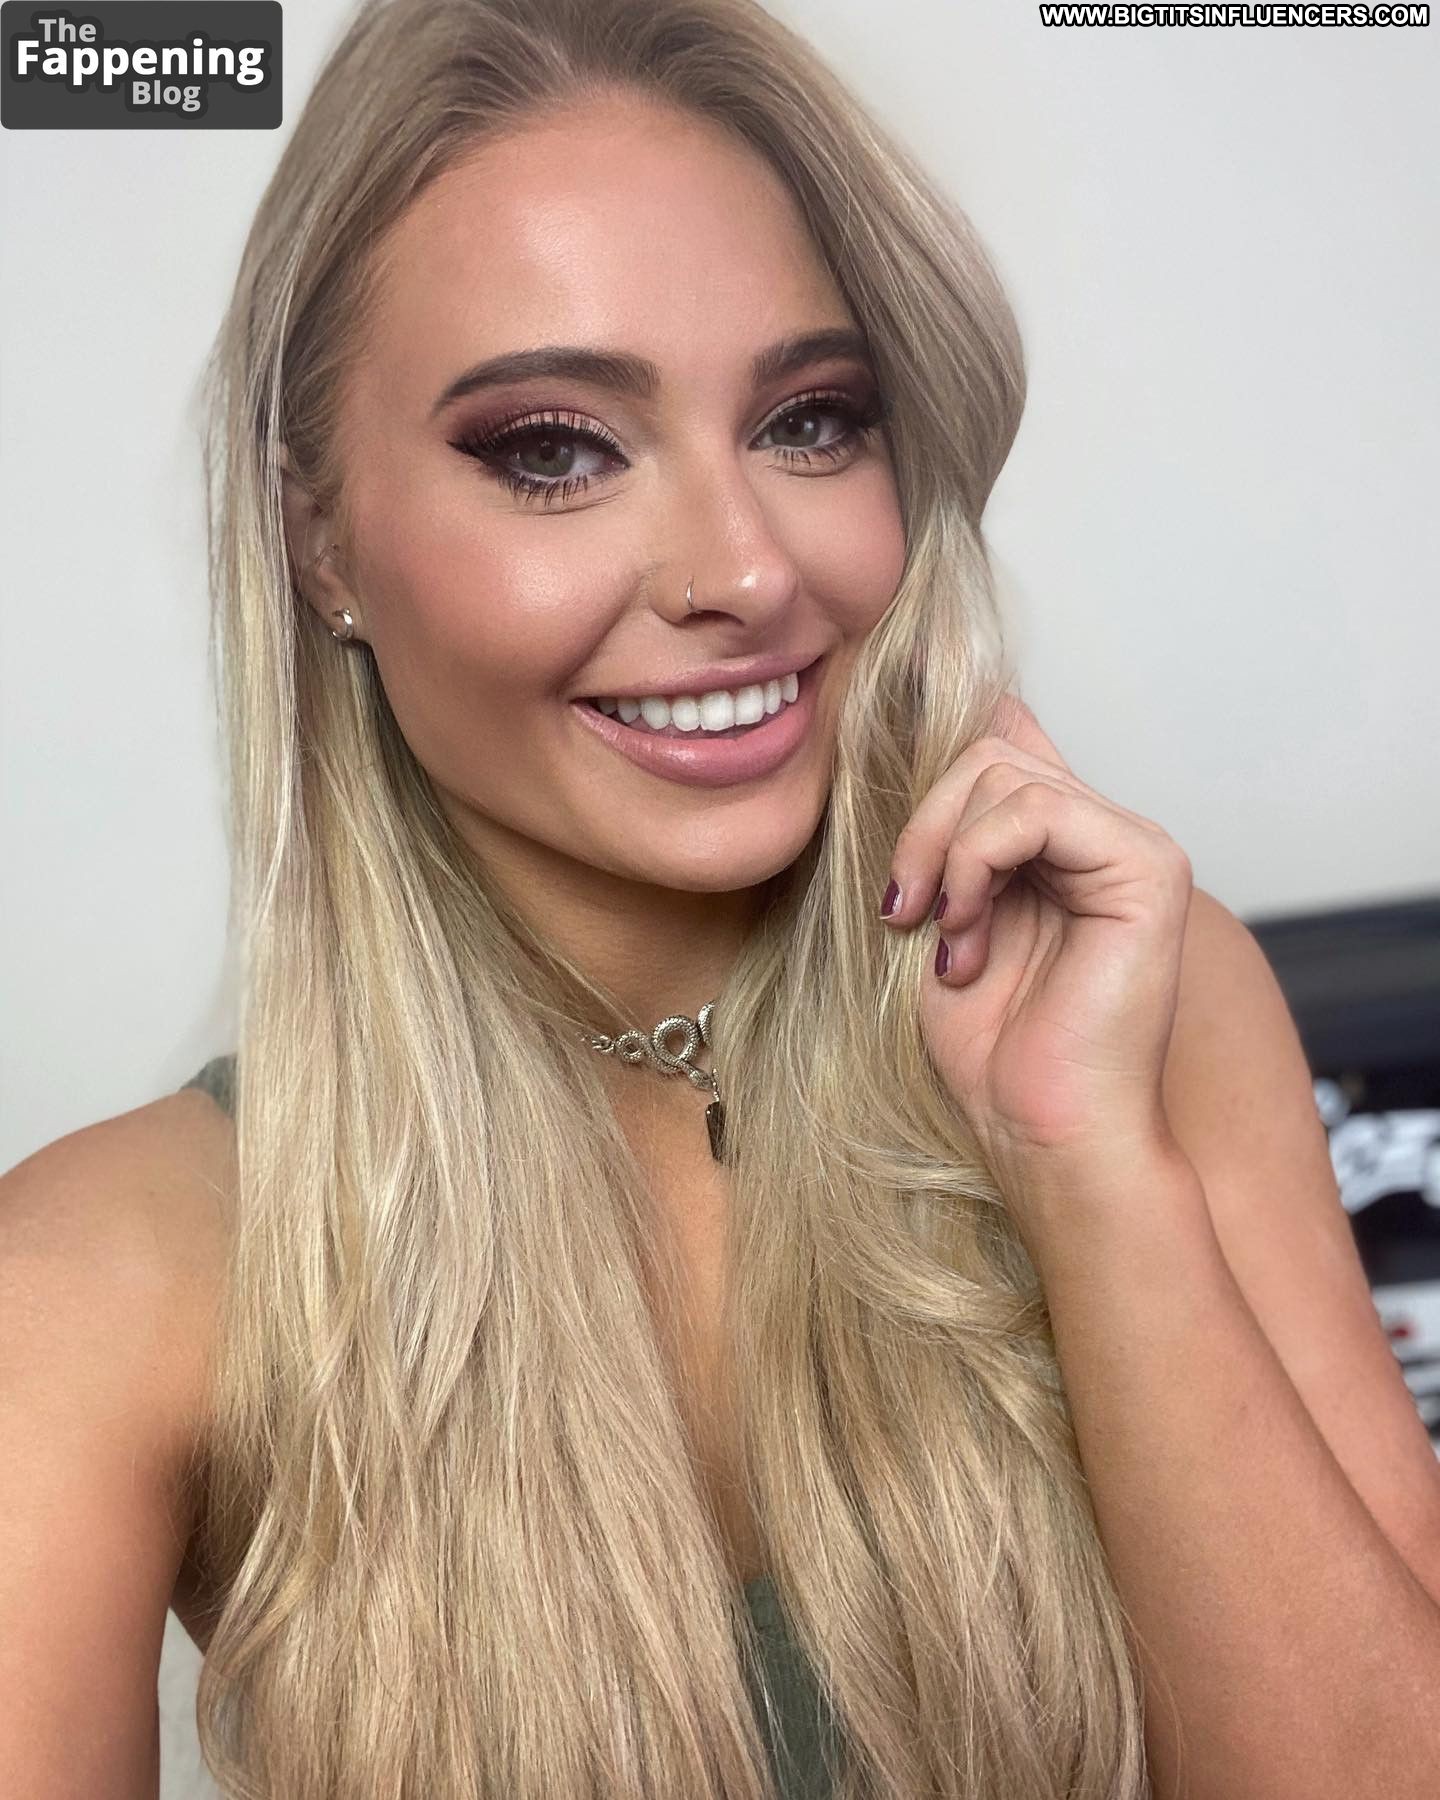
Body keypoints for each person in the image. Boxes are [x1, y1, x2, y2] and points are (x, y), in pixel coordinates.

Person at [9, 2, 1440, 1797]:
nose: (748, 570)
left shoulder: (1141, 1015)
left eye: (811, 421)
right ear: (321, 543)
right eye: (555, 449)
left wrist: (1087, 1169)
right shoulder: (109, 1275)